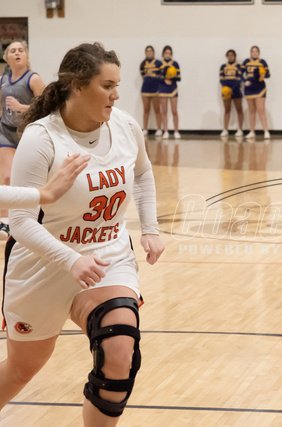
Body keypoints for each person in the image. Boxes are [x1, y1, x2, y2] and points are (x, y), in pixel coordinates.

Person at [0, 42, 165, 425]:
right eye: (107, 86)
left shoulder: (125, 126)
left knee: (120, 351)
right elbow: (21, 223)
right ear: (77, 85)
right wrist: (70, 259)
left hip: (106, 255)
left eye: (117, 85)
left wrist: (150, 228)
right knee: (23, 368)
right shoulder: (42, 138)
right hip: (43, 264)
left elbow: (142, 172)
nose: (116, 94)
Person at [0, 40, 46, 237]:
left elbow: (46, 106)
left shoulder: (33, 79)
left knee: (30, 179)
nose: (17, 53)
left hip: (28, 133)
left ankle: (31, 217)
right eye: (13, 50)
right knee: (7, 176)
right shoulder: (3, 79)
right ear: (7, 57)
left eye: (21, 50)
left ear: (27, 56)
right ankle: (5, 223)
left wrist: (21, 108)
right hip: (6, 131)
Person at [242, 46, 270, 141]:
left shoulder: (262, 62)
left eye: (256, 51)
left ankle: (266, 131)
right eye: (253, 51)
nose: (254, 53)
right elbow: (240, 74)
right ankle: (252, 132)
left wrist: (263, 74)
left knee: (261, 110)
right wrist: (244, 81)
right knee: (251, 111)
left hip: (259, 88)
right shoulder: (246, 62)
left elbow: (268, 74)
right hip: (249, 88)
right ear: (250, 53)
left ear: (259, 53)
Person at [219, 49, 244, 139]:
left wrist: (233, 87)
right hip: (226, 90)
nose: (230, 57)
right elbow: (221, 79)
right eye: (229, 55)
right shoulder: (223, 66)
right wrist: (227, 88)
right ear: (227, 56)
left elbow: (240, 78)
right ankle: (225, 129)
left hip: (236, 90)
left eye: (232, 55)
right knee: (227, 110)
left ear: (235, 56)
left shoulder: (239, 66)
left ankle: (240, 129)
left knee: (239, 109)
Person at [158, 45, 181, 140]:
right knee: (164, 111)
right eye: (166, 53)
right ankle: (165, 131)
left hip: (173, 89)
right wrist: (165, 79)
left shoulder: (175, 64)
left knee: (174, 111)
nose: (168, 54)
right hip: (163, 88)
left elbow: (179, 78)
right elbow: (157, 76)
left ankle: (176, 131)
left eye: (169, 53)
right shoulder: (159, 63)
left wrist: (171, 78)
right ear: (163, 53)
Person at [139, 45, 162, 137]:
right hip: (145, 90)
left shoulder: (159, 63)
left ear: (153, 52)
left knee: (157, 109)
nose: (149, 52)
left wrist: (154, 76)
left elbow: (162, 76)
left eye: (151, 51)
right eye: (147, 51)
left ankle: (159, 129)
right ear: (145, 53)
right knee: (146, 110)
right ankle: (145, 129)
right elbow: (143, 76)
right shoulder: (142, 64)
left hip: (156, 90)